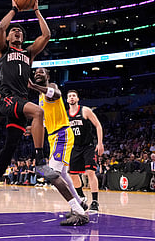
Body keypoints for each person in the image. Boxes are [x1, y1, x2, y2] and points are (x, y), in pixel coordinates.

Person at [0, 0, 58, 212]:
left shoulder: (28, 53)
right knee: (39, 113)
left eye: (20, 32)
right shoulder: (1, 51)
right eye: (14, 31)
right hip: (8, 98)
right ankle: (41, 161)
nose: (16, 32)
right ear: (7, 38)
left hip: (20, 102)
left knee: (9, 147)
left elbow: (47, 35)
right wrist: (14, 9)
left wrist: (35, 10)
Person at [30, 67, 89, 225]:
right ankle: (80, 202)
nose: (37, 74)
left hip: (61, 134)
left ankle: (78, 211)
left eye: (41, 72)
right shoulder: (41, 97)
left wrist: (34, 86)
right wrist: (32, 129)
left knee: (52, 174)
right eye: (35, 73)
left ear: (47, 76)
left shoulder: (53, 87)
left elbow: (56, 94)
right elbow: (45, 120)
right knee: (62, 174)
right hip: (53, 136)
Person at [67, 90, 104, 211]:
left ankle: (95, 201)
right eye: (69, 96)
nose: (72, 98)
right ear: (67, 100)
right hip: (74, 147)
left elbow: (98, 125)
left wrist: (99, 143)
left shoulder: (85, 110)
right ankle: (81, 196)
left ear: (77, 99)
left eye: (74, 96)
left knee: (90, 172)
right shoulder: (66, 115)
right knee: (72, 174)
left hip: (88, 146)